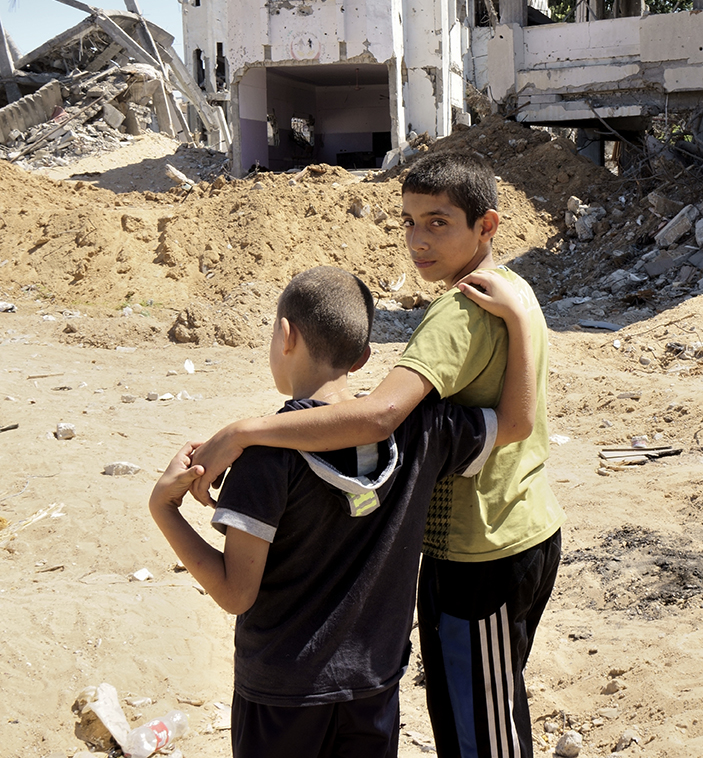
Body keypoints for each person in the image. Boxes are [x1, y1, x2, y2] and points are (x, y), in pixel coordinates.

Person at [190, 152, 565, 758]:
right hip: (521, 528)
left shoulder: (459, 312)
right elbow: (517, 421)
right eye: (409, 222)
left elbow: (383, 414)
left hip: (481, 551)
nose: (418, 239)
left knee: (482, 735)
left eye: (438, 223)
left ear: (486, 226)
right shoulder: (510, 292)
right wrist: (522, 322)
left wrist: (242, 432)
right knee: (484, 712)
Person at [149, 265, 537, 758]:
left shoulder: (263, 457)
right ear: (363, 357)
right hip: (374, 685)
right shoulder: (424, 431)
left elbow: (235, 593)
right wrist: (521, 321)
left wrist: (164, 508)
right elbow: (519, 421)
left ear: (285, 336)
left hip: (282, 691)